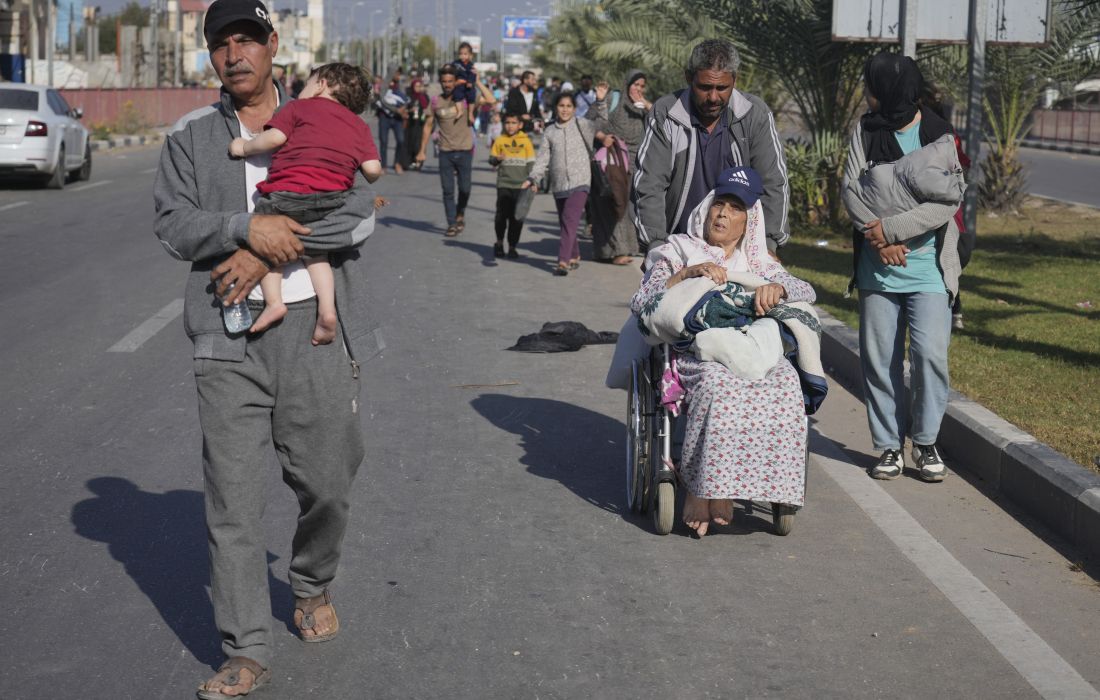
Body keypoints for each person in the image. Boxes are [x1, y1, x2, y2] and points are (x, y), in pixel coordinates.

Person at [153, 1, 378, 696]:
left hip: (314, 332)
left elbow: (358, 212)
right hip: (226, 340)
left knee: (328, 482)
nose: (235, 54)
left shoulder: (330, 114)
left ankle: (310, 584)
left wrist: (274, 249)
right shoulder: (192, 136)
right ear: (210, 56)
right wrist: (246, 232)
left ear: (274, 45)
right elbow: (174, 223)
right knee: (233, 501)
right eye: (222, 44)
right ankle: (246, 645)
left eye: (247, 39)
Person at [630, 166, 819, 537]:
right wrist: (687, 275)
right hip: (697, 351)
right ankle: (704, 490)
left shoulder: (759, 263)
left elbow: (806, 292)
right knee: (720, 387)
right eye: (720, 204)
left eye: (735, 209)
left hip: (752, 348)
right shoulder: (679, 249)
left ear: (749, 221)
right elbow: (642, 299)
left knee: (784, 387)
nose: (722, 214)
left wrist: (776, 291)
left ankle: (740, 486)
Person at [841, 51, 965, 483]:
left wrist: (890, 230)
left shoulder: (938, 133)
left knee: (930, 355)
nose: (869, 95)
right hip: (878, 271)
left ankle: (926, 442)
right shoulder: (866, 130)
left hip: (928, 267)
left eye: (873, 86)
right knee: (880, 360)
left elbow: (948, 202)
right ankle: (889, 446)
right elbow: (851, 189)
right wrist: (879, 242)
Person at [227, 62, 383, 344]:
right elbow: (372, 170)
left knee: (267, 240)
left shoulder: (299, 109)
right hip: (332, 200)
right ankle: (327, 310)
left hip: (287, 194)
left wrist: (243, 147)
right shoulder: (358, 125)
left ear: (321, 84)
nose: (304, 88)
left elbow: (274, 138)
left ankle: (274, 302)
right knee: (317, 255)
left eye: (309, 82)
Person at [633, 39, 789, 254]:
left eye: (722, 88)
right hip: (677, 246)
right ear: (689, 78)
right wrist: (656, 245)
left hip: (737, 251)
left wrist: (768, 244)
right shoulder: (666, 114)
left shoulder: (755, 116)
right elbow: (650, 183)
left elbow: (774, 183)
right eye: (705, 87)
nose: (713, 97)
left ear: (735, 80)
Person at [522, 88, 607, 276]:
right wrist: (533, 177)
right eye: (562, 106)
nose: (565, 109)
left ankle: (562, 261)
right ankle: (574, 254)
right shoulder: (550, 131)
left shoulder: (582, 124)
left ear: (575, 108)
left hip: (581, 181)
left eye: (569, 106)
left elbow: (601, 122)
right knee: (565, 223)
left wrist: (600, 102)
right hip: (559, 184)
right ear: (556, 108)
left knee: (569, 219)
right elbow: (543, 158)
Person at [416, 64, 495, 237]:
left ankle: (460, 213)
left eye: (450, 81)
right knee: (448, 190)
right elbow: (428, 126)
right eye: (444, 81)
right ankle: (452, 223)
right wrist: (422, 150)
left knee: (465, 189)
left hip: (465, 150)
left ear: (455, 81)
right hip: (445, 151)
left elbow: (491, 100)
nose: (447, 84)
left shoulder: (467, 98)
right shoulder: (436, 101)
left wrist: (478, 82)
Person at [587, 69, 650, 264]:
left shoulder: (642, 107)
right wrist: (602, 137)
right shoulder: (612, 99)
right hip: (611, 159)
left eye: (641, 86)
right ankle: (614, 251)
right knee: (611, 202)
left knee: (627, 204)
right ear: (627, 84)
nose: (638, 89)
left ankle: (623, 249)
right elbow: (589, 122)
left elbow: (661, 123)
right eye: (635, 85)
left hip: (633, 161)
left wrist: (647, 106)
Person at [489, 112, 536, 258]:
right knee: (501, 216)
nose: (510, 126)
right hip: (504, 184)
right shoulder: (500, 140)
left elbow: (531, 163)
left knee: (517, 218)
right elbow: (491, 159)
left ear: (520, 125)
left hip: (521, 186)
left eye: (514, 123)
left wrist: (533, 181)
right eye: (508, 123)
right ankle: (499, 242)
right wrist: (497, 158)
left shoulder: (526, 141)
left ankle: (512, 246)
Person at [376, 72, 408, 174]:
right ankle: (383, 166)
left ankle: (397, 163)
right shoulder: (384, 84)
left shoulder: (400, 85)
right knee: (383, 142)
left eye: (398, 73)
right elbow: (379, 99)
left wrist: (404, 108)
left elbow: (406, 99)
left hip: (397, 118)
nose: (397, 75)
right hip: (384, 117)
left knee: (401, 140)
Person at [404, 78, 430, 171]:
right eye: (416, 86)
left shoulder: (424, 96)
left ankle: (418, 161)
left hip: (421, 123)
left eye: (420, 86)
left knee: (419, 143)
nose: (418, 88)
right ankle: (410, 161)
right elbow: (404, 108)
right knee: (410, 142)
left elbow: (428, 107)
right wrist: (409, 110)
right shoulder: (409, 97)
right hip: (410, 124)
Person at [451, 41, 479, 125]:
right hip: (459, 85)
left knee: (471, 96)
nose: (463, 56)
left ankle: (470, 114)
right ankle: (459, 111)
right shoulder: (456, 63)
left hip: (468, 85)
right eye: (461, 54)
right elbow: (451, 71)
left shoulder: (470, 65)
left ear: (470, 55)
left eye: (465, 54)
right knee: (456, 95)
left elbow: (472, 74)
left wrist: (470, 82)